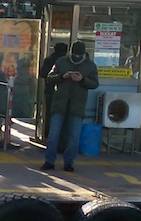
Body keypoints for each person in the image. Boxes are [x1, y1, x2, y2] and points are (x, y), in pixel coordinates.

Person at [41, 40, 99, 172]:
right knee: (53, 135)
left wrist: (82, 80)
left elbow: (95, 83)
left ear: (83, 54)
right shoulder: (61, 62)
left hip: (77, 106)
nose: (76, 57)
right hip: (59, 103)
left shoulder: (90, 66)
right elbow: (50, 77)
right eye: (75, 54)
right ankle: (49, 161)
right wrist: (63, 76)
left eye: (79, 55)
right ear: (70, 52)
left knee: (74, 137)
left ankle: (69, 162)